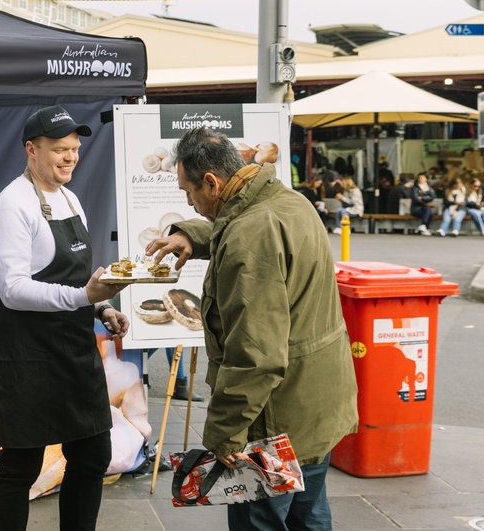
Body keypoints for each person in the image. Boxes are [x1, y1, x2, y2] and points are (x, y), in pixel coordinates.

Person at [146, 127, 357, 531]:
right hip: (314, 406)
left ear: (212, 181)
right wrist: (189, 233)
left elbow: (256, 355)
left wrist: (226, 435)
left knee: (259, 521)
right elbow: (241, 222)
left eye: (188, 192)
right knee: (308, 514)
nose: (189, 201)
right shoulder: (289, 202)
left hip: (274, 418)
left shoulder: (250, 235)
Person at [0, 105, 129, 531]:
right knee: (20, 465)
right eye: (59, 149)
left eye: (75, 149)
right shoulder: (12, 206)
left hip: (73, 349)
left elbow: (81, 276)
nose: (70, 158)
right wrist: (84, 295)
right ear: (31, 149)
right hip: (24, 353)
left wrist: (101, 307)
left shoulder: (70, 198)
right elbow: (12, 289)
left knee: (93, 452)